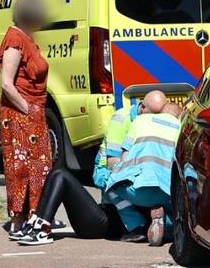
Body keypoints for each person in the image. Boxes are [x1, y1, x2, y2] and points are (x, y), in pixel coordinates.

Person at [30, 90, 170, 243]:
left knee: (60, 176)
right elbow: (112, 165)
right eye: (151, 115)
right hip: (121, 207)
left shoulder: (152, 123)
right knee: (62, 175)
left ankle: (39, 228)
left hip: (110, 220)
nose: (154, 120)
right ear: (142, 107)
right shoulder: (124, 120)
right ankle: (36, 223)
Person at [0, 0, 54, 246]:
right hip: (20, 114)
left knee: (40, 167)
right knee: (20, 168)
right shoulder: (14, 40)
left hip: (33, 113)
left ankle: (35, 216)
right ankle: (19, 222)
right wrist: (28, 109)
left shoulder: (26, 37)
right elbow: (7, 85)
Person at [105, 102, 183, 246]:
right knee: (179, 208)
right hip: (167, 193)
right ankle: (167, 225)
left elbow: (125, 156)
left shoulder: (140, 121)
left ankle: (136, 225)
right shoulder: (179, 127)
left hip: (137, 192)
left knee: (110, 184)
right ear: (179, 116)